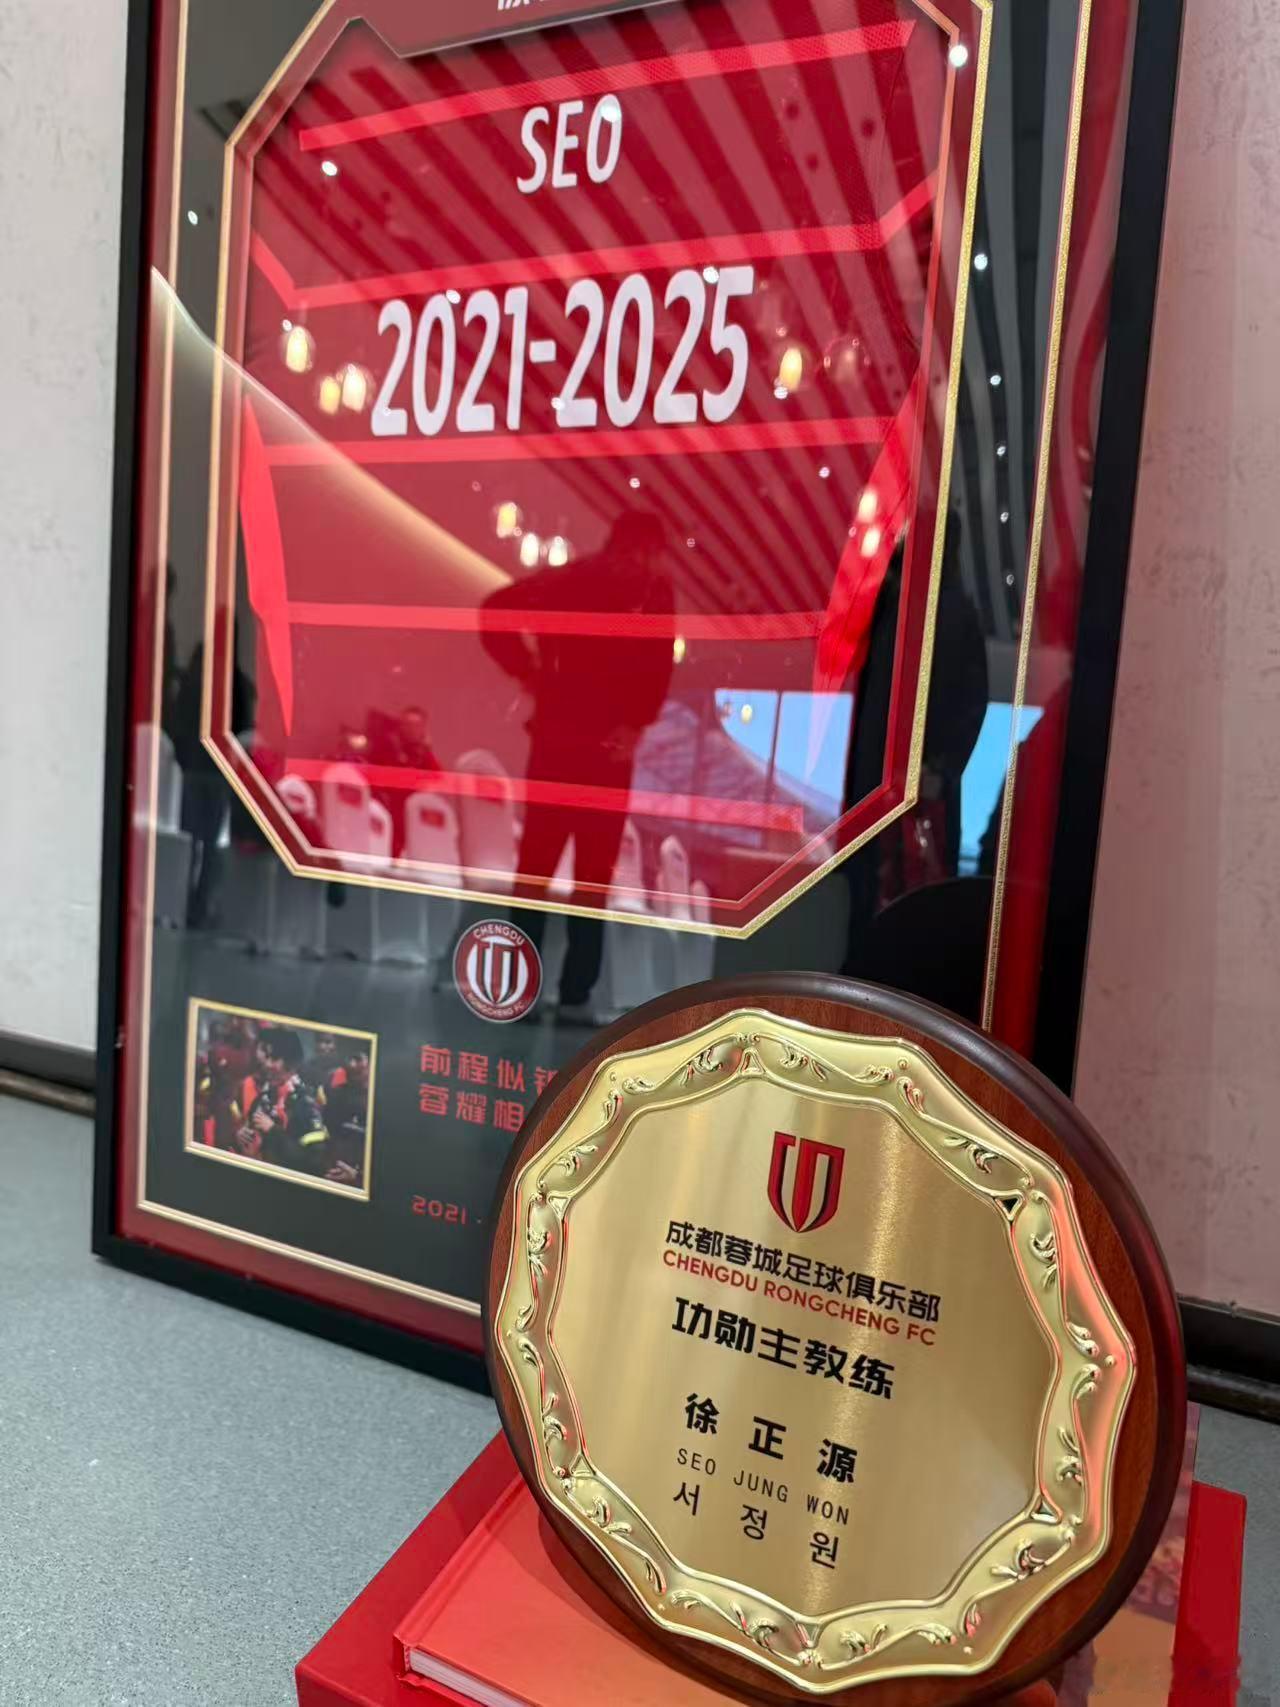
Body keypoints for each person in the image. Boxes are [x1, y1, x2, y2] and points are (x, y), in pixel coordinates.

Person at [480, 512, 675, 1018]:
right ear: (642, 548)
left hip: (567, 744)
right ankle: (568, 993)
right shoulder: (647, 590)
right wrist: (633, 724)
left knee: (543, 871)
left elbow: (495, 611)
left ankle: (525, 986)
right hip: (596, 750)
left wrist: (532, 673)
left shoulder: (582, 580)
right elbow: (657, 667)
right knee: (581, 876)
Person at [237, 1026, 333, 1176]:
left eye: (274, 1058)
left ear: (291, 1063)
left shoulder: (306, 1104)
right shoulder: (262, 1099)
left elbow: (314, 1162)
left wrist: (273, 1131)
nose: (267, 1064)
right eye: (266, 1057)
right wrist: (242, 1137)